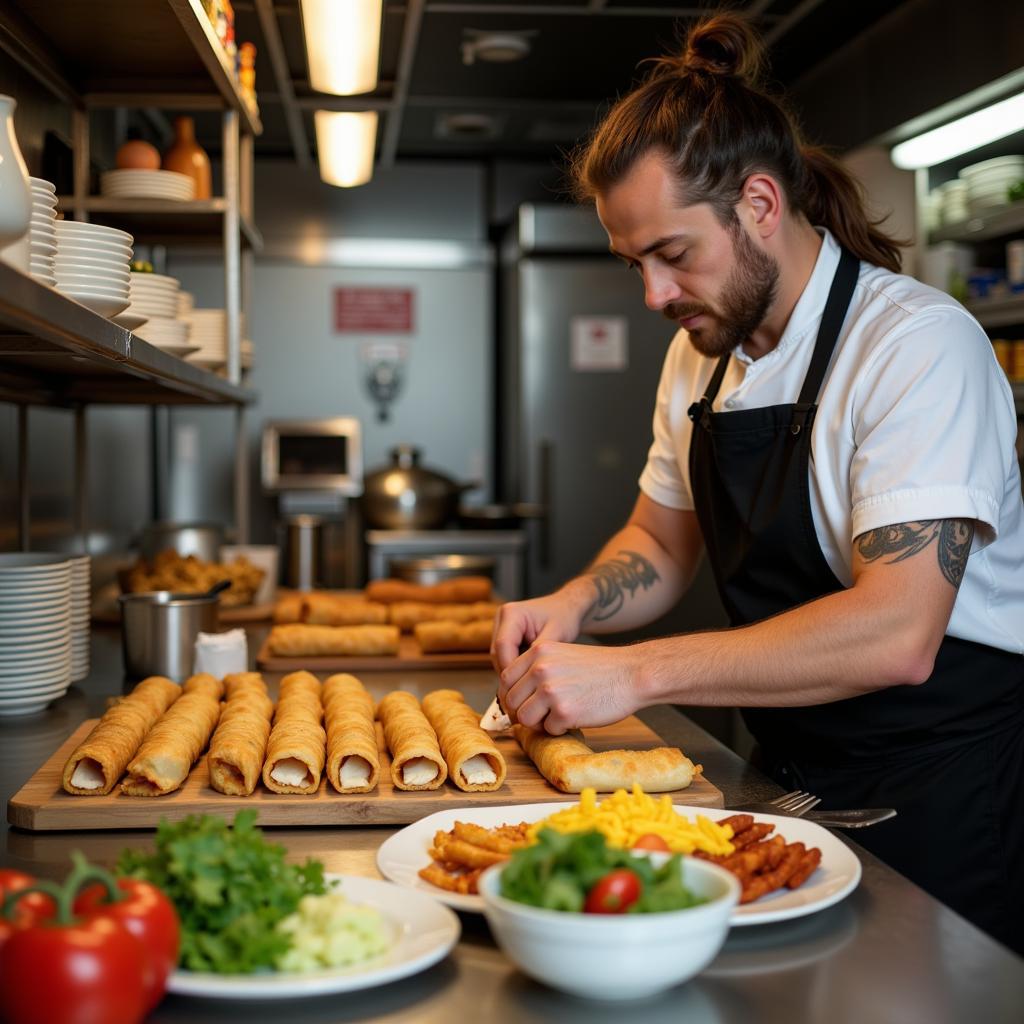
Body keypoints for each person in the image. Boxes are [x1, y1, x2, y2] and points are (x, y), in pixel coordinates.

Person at [491, 13, 1024, 954]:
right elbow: (659, 542)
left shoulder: (916, 347)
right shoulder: (702, 352)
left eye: (672, 254)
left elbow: (899, 633)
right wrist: (574, 604)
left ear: (761, 204)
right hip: (788, 774)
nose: (654, 295)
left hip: (944, 781)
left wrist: (639, 670)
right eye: (635, 263)